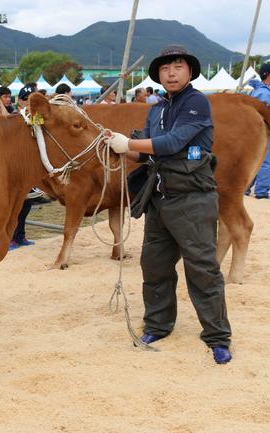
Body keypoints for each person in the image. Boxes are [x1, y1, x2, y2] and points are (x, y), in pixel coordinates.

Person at [106, 45, 232, 364]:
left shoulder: (197, 102)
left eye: (178, 66)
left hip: (193, 199)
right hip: (159, 198)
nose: (171, 73)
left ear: (189, 71)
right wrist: (118, 146)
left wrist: (129, 142)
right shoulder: (157, 109)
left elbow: (173, 143)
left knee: (202, 269)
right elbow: (146, 154)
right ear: (158, 75)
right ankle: (158, 325)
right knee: (155, 266)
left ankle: (217, 337)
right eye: (165, 68)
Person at [9, 84, 41, 250]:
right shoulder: (14, 117)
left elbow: (40, 131)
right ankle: (11, 237)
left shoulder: (36, 117)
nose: (29, 103)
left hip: (30, 164)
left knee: (27, 203)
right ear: (20, 101)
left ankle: (20, 236)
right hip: (17, 163)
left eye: (32, 101)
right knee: (16, 204)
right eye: (26, 100)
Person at [246, 63, 270, 199]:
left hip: (255, 132)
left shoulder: (257, 90)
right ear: (269, 75)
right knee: (267, 161)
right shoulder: (264, 93)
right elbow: (266, 114)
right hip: (264, 131)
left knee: (254, 160)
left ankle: (245, 188)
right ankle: (262, 191)